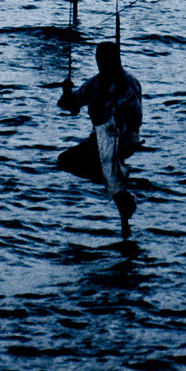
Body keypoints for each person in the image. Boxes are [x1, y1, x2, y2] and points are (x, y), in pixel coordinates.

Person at [57, 41, 142, 238]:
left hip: (124, 137)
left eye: (104, 60)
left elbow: (136, 116)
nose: (100, 64)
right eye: (98, 60)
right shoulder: (96, 82)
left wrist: (117, 116)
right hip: (100, 138)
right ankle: (118, 190)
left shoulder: (128, 82)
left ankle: (119, 191)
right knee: (65, 161)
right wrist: (67, 92)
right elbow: (72, 105)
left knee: (107, 162)